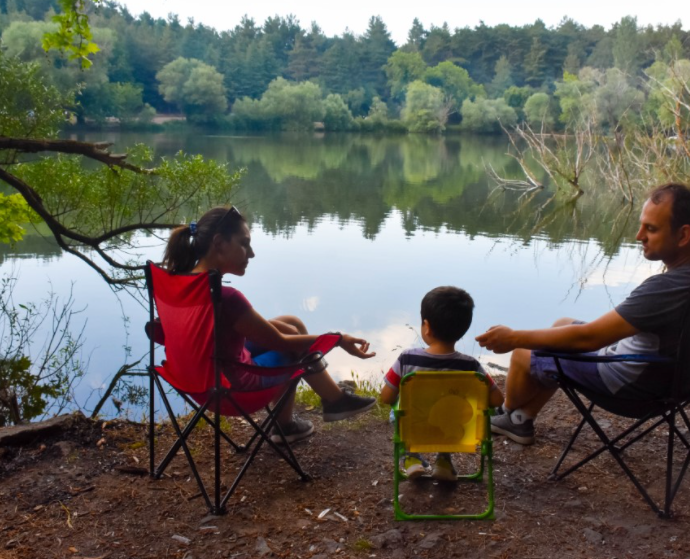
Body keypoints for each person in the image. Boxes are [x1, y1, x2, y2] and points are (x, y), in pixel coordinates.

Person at [476, 183, 690, 446]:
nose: (638, 236)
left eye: (651, 229)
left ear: (683, 235)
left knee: (523, 354)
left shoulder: (669, 288)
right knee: (561, 325)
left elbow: (589, 338)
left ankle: (506, 414)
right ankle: (522, 419)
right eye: (642, 226)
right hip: (678, 381)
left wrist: (513, 337)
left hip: (634, 386)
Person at [162, 205, 377, 444]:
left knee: (291, 322)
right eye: (244, 244)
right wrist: (339, 339)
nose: (251, 254)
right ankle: (331, 403)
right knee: (291, 345)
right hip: (232, 389)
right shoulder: (227, 298)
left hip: (195, 380)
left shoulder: (178, 285)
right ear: (220, 243)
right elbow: (281, 342)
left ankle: (298, 419)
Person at [380, 286, 504, 481]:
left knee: (397, 412)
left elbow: (386, 397)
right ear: (463, 330)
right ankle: (444, 461)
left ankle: (411, 458)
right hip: (455, 430)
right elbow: (497, 399)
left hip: (415, 426)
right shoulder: (471, 365)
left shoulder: (407, 359)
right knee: (452, 413)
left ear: (426, 327)